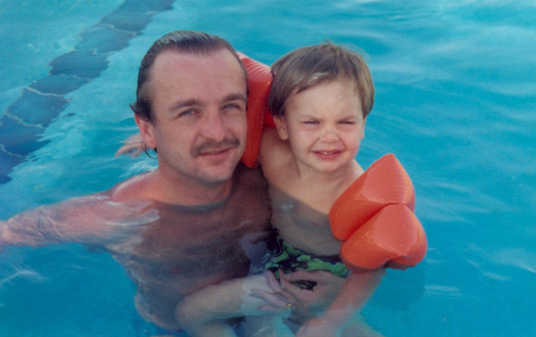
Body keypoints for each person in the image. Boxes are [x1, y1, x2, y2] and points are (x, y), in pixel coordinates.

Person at [0, 31, 337, 334]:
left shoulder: (272, 183)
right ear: (147, 128)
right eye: (189, 111)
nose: (217, 133)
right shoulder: (119, 216)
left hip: (273, 312)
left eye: (230, 106)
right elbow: (8, 233)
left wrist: (337, 291)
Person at [174, 42, 386, 337]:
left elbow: (371, 269)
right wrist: (156, 137)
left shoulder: (358, 194)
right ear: (283, 126)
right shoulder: (272, 151)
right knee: (192, 313)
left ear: (364, 124)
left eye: (346, 122)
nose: (329, 137)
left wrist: (332, 319)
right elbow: (217, 123)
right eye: (312, 122)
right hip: (273, 264)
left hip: (327, 280)